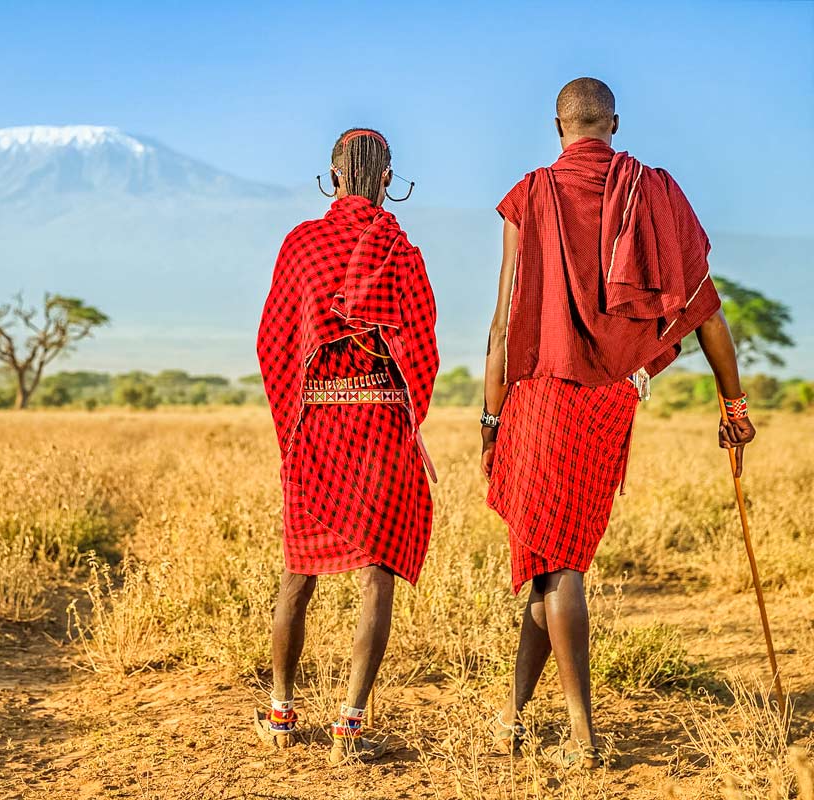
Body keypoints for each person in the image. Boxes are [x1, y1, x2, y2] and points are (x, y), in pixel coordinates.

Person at [481, 77, 756, 769]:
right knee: (551, 564)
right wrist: (734, 407)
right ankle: (512, 717)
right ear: (614, 124)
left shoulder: (532, 194)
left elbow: (504, 320)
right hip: (610, 399)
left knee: (560, 565)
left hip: (541, 395)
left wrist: (490, 416)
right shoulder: (654, 190)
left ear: (559, 127)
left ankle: (582, 736)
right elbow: (704, 309)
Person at [255, 128, 439, 765]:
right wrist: (411, 420)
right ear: (388, 179)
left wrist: (292, 428)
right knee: (375, 580)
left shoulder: (302, 245)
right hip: (384, 430)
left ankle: (280, 713)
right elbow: (421, 349)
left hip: (320, 431)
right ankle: (349, 727)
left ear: (332, 175)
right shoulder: (403, 253)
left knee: (297, 575)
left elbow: (274, 344)